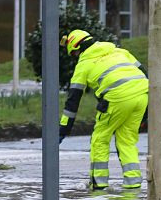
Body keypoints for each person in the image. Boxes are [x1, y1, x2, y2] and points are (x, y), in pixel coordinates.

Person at [59, 29, 149, 190]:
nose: (76, 57)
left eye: (74, 54)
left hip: (117, 99)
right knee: (127, 140)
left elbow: (73, 100)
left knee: (100, 139)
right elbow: (144, 74)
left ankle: (98, 184)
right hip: (142, 95)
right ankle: (133, 183)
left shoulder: (84, 64)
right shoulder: (120, 51)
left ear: (77, 49)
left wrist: (64, 129)